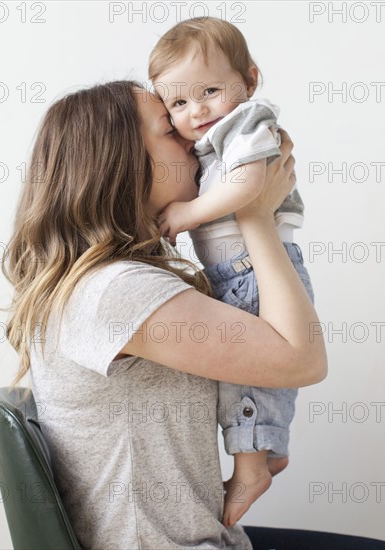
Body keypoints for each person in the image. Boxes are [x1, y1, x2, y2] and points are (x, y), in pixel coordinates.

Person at [1, 81, 327, 550]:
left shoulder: (104, 282)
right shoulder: (116, 291)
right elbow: (303, 359)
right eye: (169, 130)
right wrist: (254, 213)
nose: (195, 139)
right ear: (122, 163)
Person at [148, 17, 313, 527]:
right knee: (244, 376)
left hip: (252, 269)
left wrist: (185, 214)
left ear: (250, 80)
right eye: (176, 103)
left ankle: (251, 466)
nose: (195, 110)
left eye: (210, 91)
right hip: (238, 269)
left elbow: (247, 189)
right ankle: (266, 450)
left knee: (246, 376)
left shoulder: (245, 123)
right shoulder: (208, 139)